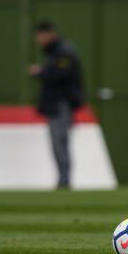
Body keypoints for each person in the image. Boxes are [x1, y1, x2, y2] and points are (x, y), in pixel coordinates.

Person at [28, 21, 84, 189]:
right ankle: (62, 180)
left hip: (61, 105)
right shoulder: (54, 52)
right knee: (57, 144)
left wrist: (42, 72)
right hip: (56, 106)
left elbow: (62, 75)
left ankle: (64, 181)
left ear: (49, 33)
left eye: (40, 35)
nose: (38, 40)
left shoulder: (63, 52)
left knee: (60, 143)